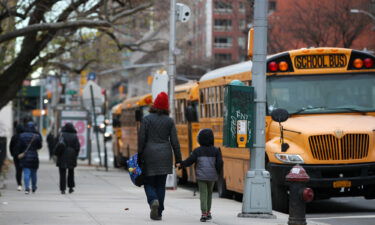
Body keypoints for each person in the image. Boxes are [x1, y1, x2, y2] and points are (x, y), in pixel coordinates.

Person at [138, 92, 182, 221]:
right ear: (166, 106)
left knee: (148, 182)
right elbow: (175, 141)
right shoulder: (169, 121)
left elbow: (141, 139)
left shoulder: (146, 119)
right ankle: (159, 212)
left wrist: (139, 155)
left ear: (154, 104)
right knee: (161, 185)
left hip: (149, 154)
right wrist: (178, 159)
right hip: (165, 155)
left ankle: (153, 201)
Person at [176, 128, 223, 222]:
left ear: (200, 139)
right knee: (209, 194)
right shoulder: (216, 150)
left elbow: (190, 160)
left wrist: (181, 164)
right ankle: (208, 212)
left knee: (203, 194)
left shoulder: (197, 151)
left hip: (201, 176)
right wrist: (217, 172)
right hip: (212, 176)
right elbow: (220, 163)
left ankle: (204, 213)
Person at [17, 121, 42, 194]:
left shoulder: (22, 136)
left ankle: (27, 188)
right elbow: (39, 146)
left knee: (26, 173)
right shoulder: (36, 136)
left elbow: (19, 146)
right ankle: (34, 187)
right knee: (34, 173)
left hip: (25, 156)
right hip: (34, 156)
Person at [54, 123, 80, 194]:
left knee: (62, 172)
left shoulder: (62, 135)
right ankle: (71, 187)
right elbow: (77, 146)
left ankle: (63, 189)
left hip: (62, 155)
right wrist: (75, 154)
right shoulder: (75, 136)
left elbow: (57, 144)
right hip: (72, 155)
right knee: (71, 172)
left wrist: (56, 153)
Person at [9, 124, 24, 191]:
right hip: (23, 155)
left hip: (16, 155)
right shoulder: (24, 137)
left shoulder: (14, 137)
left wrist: (12, 154)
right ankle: (26, 183)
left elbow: (10, 146)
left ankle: (19, 184)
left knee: (18, 170)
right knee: (25, 170)